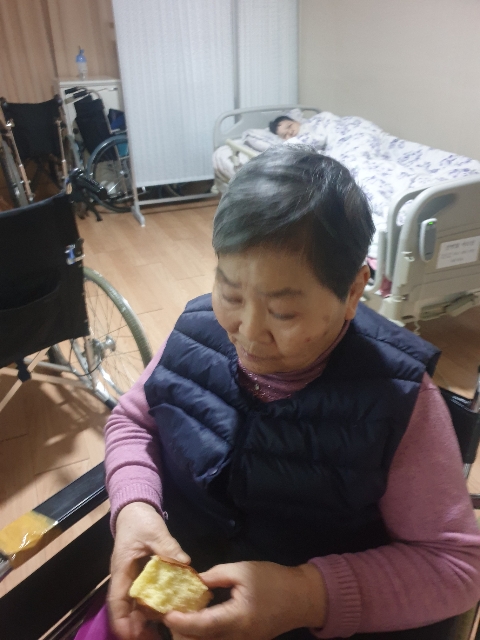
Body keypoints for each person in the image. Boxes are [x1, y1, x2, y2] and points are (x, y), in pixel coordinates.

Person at [80, 146, 480, 640]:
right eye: (230, 294)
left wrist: (307, 596)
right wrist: (135, 508)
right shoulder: (195, 330)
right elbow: (133, 420)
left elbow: (455, 566)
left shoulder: (399, 400)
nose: (247, 331)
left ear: (354, 292)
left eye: (283, 313)